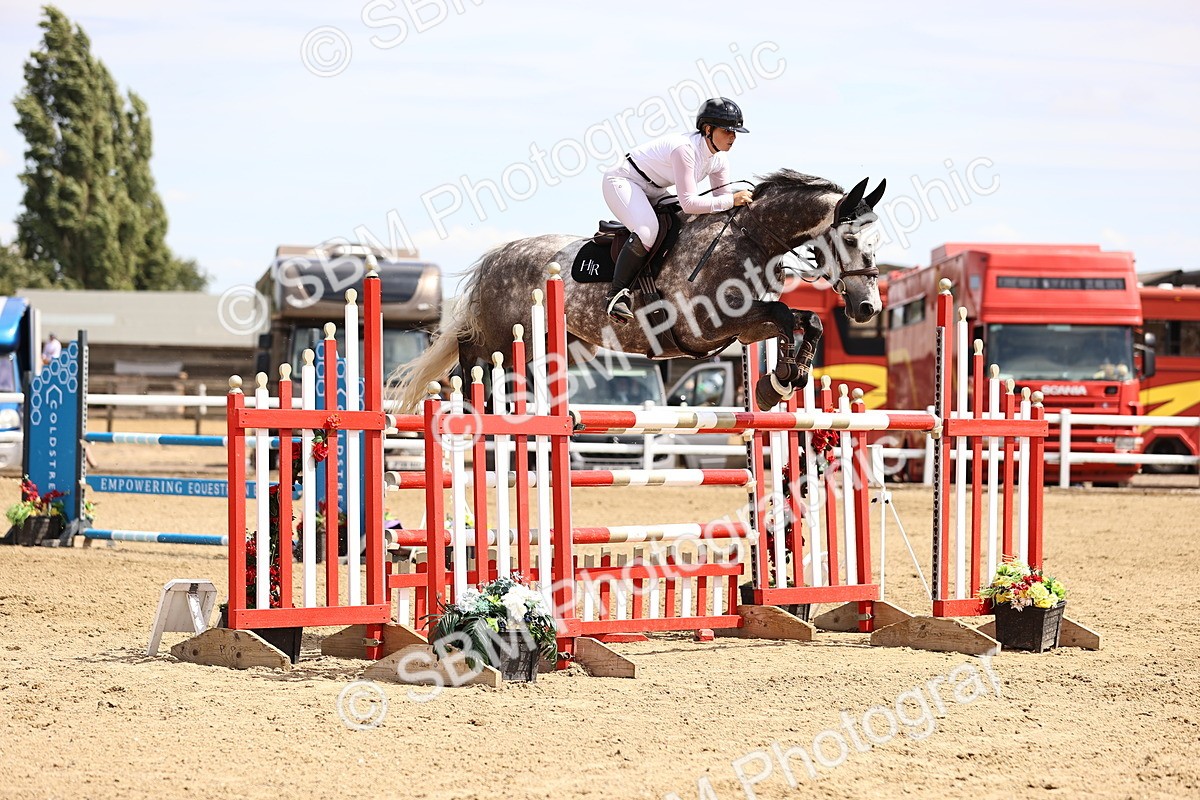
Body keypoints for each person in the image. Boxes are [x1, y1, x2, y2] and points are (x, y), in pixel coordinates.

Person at [602, 97, 754, 323]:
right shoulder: (685, 150)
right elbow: (690, 203)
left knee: (681, 223)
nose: (733, 137)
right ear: (708, 129)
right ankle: (616, 296)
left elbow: (722, 202)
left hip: (654, 189)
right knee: (647, 231)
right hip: (623, 181)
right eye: (728, 131)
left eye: (735, 133)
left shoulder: (720, 160)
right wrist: (732, 200)